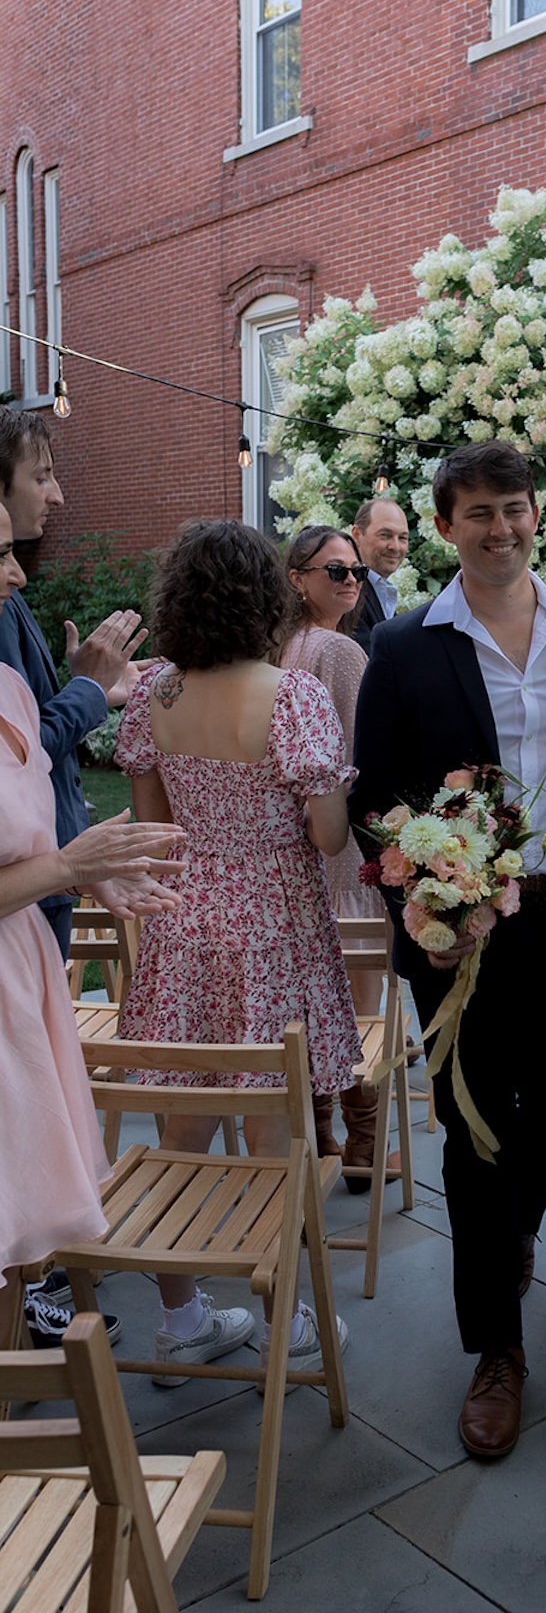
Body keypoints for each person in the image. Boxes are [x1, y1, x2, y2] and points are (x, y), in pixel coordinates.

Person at [351, 440, 546, 1461]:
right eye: (480, 513)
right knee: (472, 1126)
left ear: (538, 514)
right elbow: (372, 798)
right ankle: (496, 1349)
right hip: (460, 936)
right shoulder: (405, 645)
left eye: (515, 508)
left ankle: (510, 1236)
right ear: (446, 526)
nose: (501, 529)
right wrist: (428, 898)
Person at [114, 519, 363, 1385]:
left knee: (180, 1123)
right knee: (271, 1130)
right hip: (273, 928)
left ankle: (181, 1322)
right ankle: (283, 1320)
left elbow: (156, 833)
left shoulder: (155, 696)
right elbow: (329, 838)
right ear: (265, 599)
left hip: (185, 924)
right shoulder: (293, 697)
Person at [0, 502, 184, 1352]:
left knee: (18, 1238)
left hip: (20, 977)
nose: (17, 576)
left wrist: (87, 867)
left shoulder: (10, 691)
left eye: (15, 551)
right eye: (0, 554)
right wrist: (68, 867)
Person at [0, 408, 152, 957]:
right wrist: (86, 691)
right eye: (41, 476)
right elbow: (22, 752)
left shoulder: (8, 594)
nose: (58, 495)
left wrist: (92, 691)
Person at [281, 524, 389, 1180]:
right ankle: (362, 1143)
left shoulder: (277, 647)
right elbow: (360, 753)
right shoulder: (340, 652)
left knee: (310, 1002)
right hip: (340, 843)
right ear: (298, 579)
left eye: (357, 571)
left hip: (290, 847)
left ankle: (322, 1134)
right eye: (336, 571)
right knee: (358, 1005)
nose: (352, 582)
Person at [348, 498, 410, 651]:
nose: (395, 547)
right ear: (357, 535)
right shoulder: (348, 590)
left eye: (402, 538)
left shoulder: (379, 589)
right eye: (385, 535)